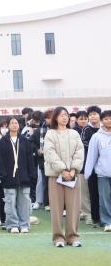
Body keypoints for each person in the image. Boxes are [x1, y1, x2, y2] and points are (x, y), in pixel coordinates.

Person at [44, 106, 85, 247]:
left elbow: (80, 152)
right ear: (55, 117)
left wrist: (73, 169)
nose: (65, 117)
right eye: (61, 115)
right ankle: (58, 237)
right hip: (56, 176)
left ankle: (72, 236)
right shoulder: (50, 134)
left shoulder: (74, 133)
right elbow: (49, 153)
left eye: (66, 115)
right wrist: (62, 170)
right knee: (56, 208)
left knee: (74, 207)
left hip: (73, 175)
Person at [0, 116, 36, 234]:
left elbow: (30, 160)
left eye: (16, 123)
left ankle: (24, 224)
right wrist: (3, 176)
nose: (14, 125)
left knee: (24, 202)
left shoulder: (25, 141)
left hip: (24, 178)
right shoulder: (3, 141)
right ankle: (12, 224)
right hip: (8, 179)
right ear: (7, 125)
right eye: (12, 123)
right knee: (10, 202)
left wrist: (31, 176)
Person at [84, 109, 111, 232]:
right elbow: (92, 156)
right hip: (103, 174)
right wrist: (88, 172)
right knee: (104, 200)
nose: (109, 121)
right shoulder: (96, 137)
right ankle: (107, 221)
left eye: (110, 118)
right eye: (106, 119)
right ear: (102, 120)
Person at [81, 105, 101, 226]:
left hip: (104, 165)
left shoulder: (104, 128)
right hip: (91, 164)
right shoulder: (87, 129)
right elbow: (85, 143)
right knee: (92, 192)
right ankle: (93, 216)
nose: (93, 116)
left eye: (95, 114)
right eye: (90, 115)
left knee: (103, 192)